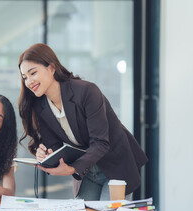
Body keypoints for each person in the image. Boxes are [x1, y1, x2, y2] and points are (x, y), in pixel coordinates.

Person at [18, 43, 148, 200]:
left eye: (33, 73)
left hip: (114, 164)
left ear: (51, 68)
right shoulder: (40, 107)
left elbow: (101, 143)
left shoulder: (87, 91)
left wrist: (72, 168)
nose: (29, 81)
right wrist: (47, 154)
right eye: (25, 77)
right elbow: (56, 146)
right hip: (86, 170)